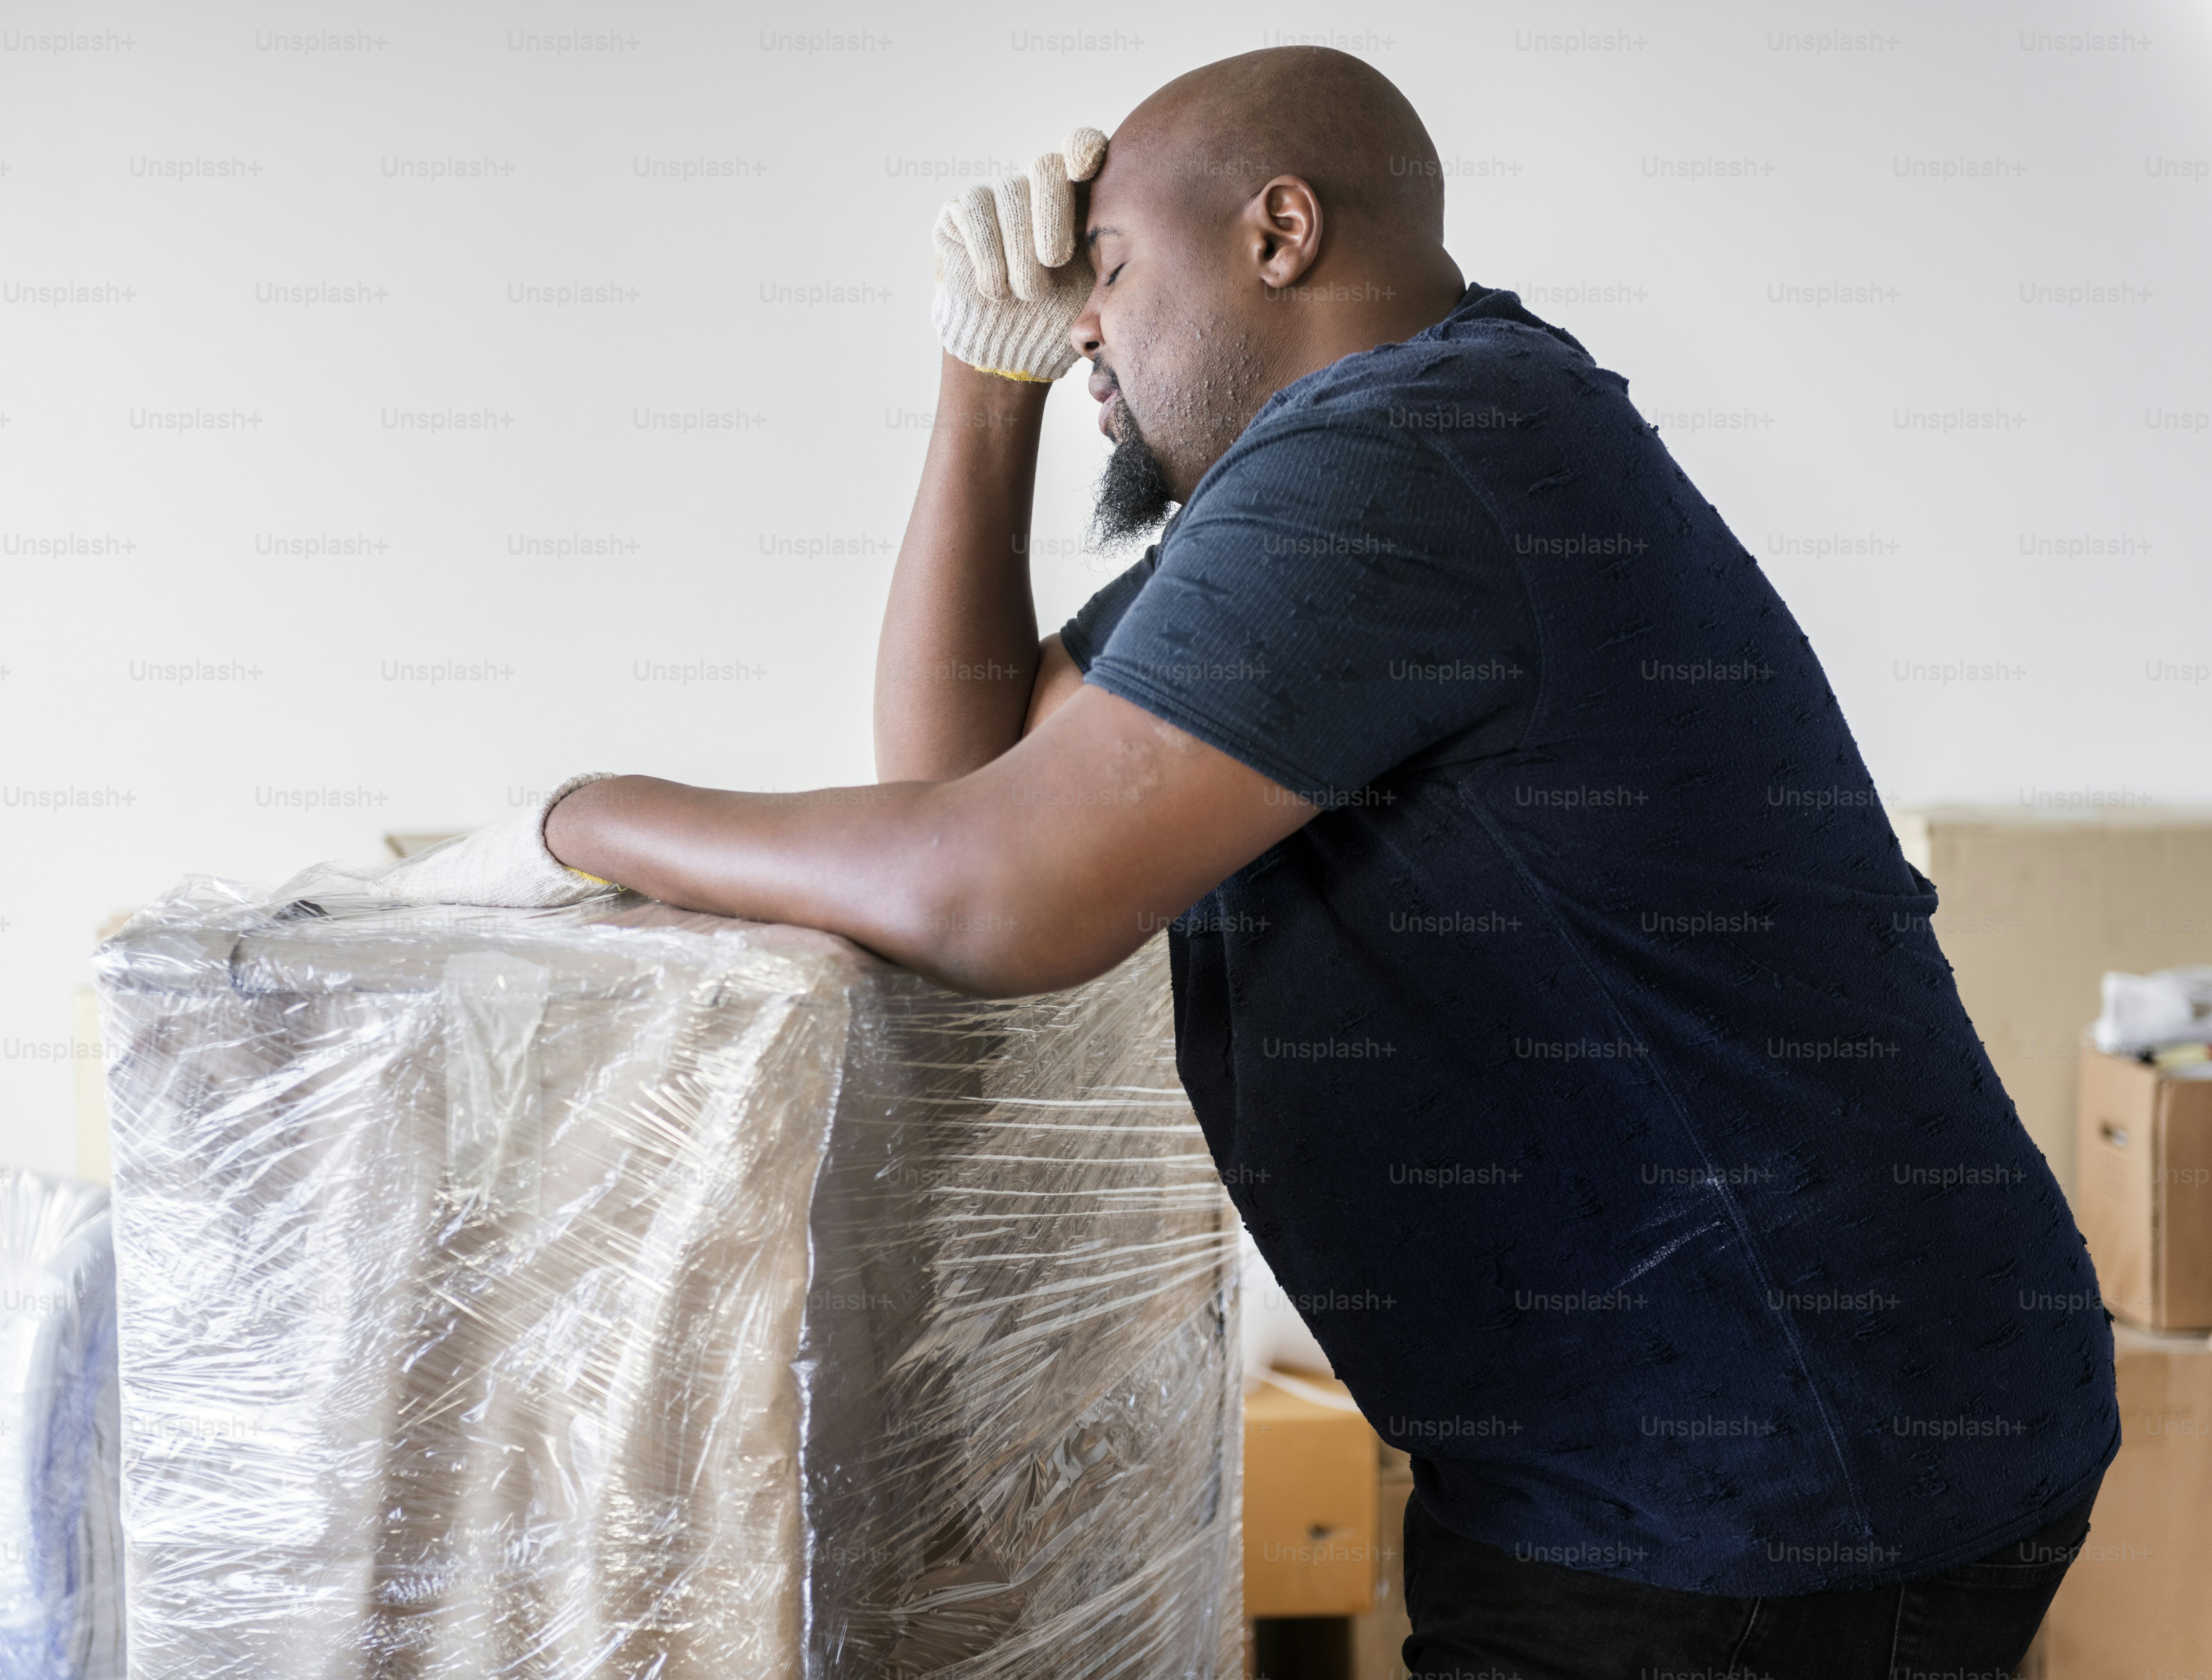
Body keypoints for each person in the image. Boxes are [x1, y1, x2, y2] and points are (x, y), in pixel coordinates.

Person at [381, 47, 2117, 1677]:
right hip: (1717, 1443)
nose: (1089, 337)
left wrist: (568, 816)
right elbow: (964, 767)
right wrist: (982, 379)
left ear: (1277, 231)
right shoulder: (1359, 474)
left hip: (1767, 1477)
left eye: (1109, 275)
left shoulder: (1416, 451)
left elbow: (995, 889)